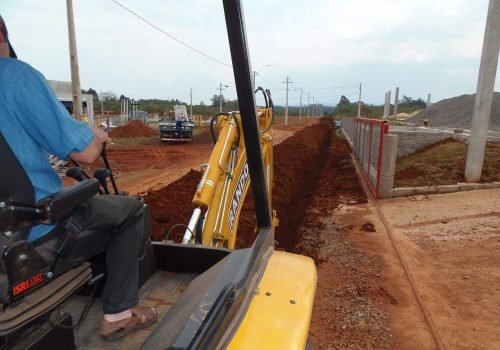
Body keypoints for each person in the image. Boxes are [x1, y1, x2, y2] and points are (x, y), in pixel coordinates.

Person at [0, 16, 156, 340]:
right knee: (131, 211)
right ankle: (119, 314)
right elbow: (84, 153)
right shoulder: (15, 77)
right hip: (31, 232)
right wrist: (95, 137)